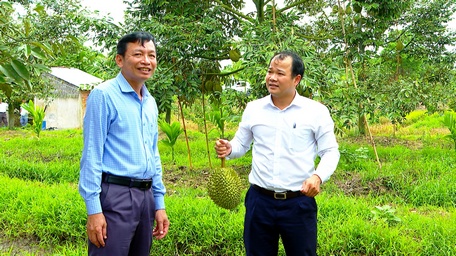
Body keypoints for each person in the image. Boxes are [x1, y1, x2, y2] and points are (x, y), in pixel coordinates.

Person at [215, 50, 340, 256]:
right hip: (259, 201)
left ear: (296, 79)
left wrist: (317, 177)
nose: (272, 77)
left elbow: (330, 151)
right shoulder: (254, 109)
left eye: (280, 73)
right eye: (270, 71)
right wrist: (229, 148)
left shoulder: (315, 112)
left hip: (298, 202)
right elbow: (241, 145)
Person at [79, 31, 169, 256]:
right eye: (138, 54)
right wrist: (94, 211)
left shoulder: (150, 102)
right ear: (120, 60)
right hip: (116, 195)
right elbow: (91, 154)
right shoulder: (103, 95)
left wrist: (159, 203)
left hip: (146, 196)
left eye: (152, 55)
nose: (146, 61)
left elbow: (153, 154)